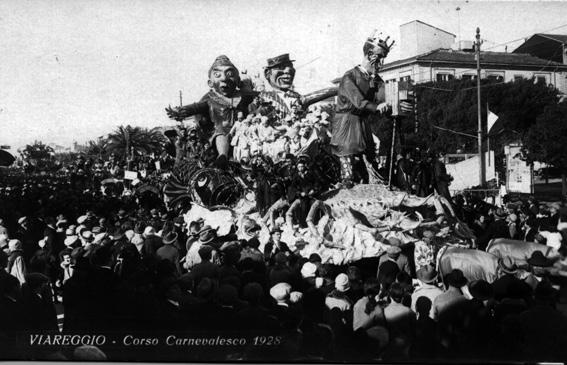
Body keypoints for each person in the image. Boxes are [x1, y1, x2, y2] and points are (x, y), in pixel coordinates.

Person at [330, 32, 393, 187]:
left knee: (370, 160)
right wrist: (377, 107)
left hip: (362, 123)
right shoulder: (350, 76)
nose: (381, 62)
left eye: (383, 57)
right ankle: (347, 183)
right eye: (379, 57)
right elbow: (358, 101)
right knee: (348, 160)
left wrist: (394, 104)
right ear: (369, 54)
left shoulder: (377, 80)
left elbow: (385, 98)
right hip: (347, 123)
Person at [166, 55, 257, 160]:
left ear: (238, 80)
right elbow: (196, 108)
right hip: (219, 135)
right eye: (218, 75)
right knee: (221, 132)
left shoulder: (245, 97)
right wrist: (182, 111)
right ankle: (222, 156)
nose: (224, 78)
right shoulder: (210, 99)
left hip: (243, 132)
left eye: (230, 74)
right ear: (210, 83)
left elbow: (260, 102)